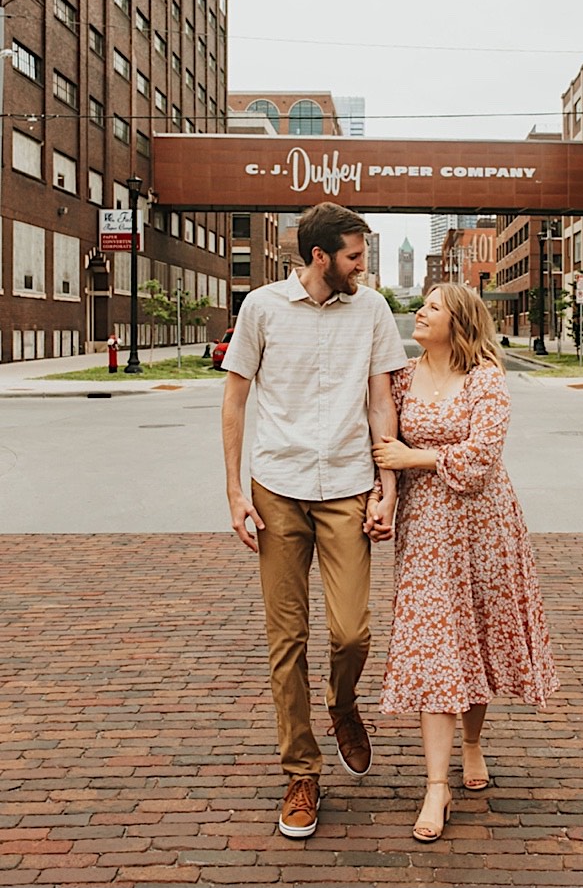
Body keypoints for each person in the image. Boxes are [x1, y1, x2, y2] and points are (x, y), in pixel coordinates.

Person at [220, 202, 407, 840]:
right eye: (355, 255)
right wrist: (233, 491)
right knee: (287, 640)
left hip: (349, 486)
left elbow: (382, 398)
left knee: (352, 632)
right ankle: (301, 771)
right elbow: (235, 395)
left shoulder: (373, 309)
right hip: (277, 487)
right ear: (321, 256)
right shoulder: (263, 308)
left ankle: (342, 702)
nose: (364, 265)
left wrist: (389, 489)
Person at [372, 282, 558, 842]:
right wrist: (384, 494)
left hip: (486, 527)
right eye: (422, 304)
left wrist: (417, 456)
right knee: (436, 647)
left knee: (473, 638)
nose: (420, 313)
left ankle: (472, 743)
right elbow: (380, 448)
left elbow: (481, 459)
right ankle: (436, 786)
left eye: (432, 308)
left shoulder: (486, 379)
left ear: (459, 323)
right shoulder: (401, 379)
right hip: (426, 530)